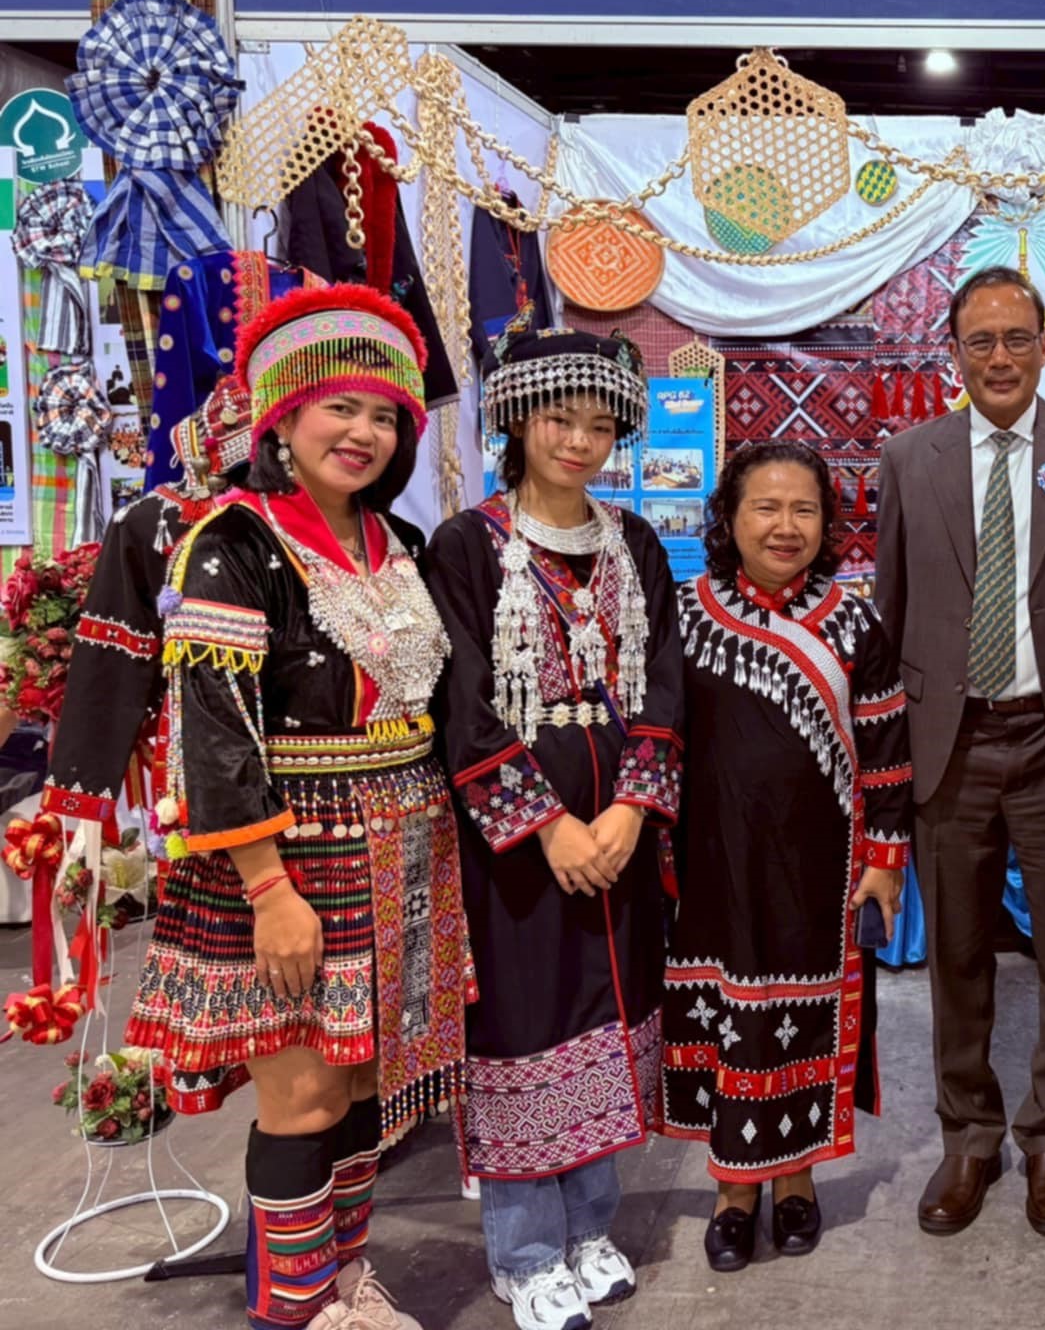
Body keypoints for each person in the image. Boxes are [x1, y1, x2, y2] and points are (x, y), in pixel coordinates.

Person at [125, 282, 462, 1330]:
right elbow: (213, 732)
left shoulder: (399, 540)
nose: (363, 433)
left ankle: (344, 1281)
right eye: (338, 408)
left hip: (404, 852)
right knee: (303, 1097)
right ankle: (297, 1306)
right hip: (295, 860)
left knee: (366, 1094)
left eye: (383, 415)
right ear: (281, 416)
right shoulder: (233, 544)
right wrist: (269, 891)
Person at [428, 326, 682, 1330]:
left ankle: (590, 1228)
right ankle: (526, 1251)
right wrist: (546, 827)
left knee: (610, 1020)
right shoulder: (467, 545)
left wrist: (629, 808)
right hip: (521, 849)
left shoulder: (634, 542)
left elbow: (662, 686)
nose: (579, 442)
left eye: (598, 426)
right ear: (516, 423)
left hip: (618, 831)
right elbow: (461, 700)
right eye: (558, 420)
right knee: (525, 1030)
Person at [874, 266, 1045, 1237]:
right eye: (979, 340)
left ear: (1044, 345)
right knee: (957, 956)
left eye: (1016, 338)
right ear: (952, 352)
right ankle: (968, 1137)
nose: (998, 357)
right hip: (949, 742)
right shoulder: (910, 457)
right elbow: (891, 604)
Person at [662, 440, 913, 1270]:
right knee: (732, 1022)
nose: (785, 526)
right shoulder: (684, 614)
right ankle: (733, 1193)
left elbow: (886, 751)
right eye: (765, 507)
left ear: (826, 523)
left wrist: (884, 859)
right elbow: (657, 738)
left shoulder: (853, 621)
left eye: (804, 509)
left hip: (820, 870)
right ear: (729, 519)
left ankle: (797, 1181)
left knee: (800, 1020)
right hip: (714, 866)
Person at [35, 377, 255, 864]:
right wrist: (83, 788)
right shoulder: (149, 521)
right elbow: (113, 655)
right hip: (193, 745)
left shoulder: (331, 516)